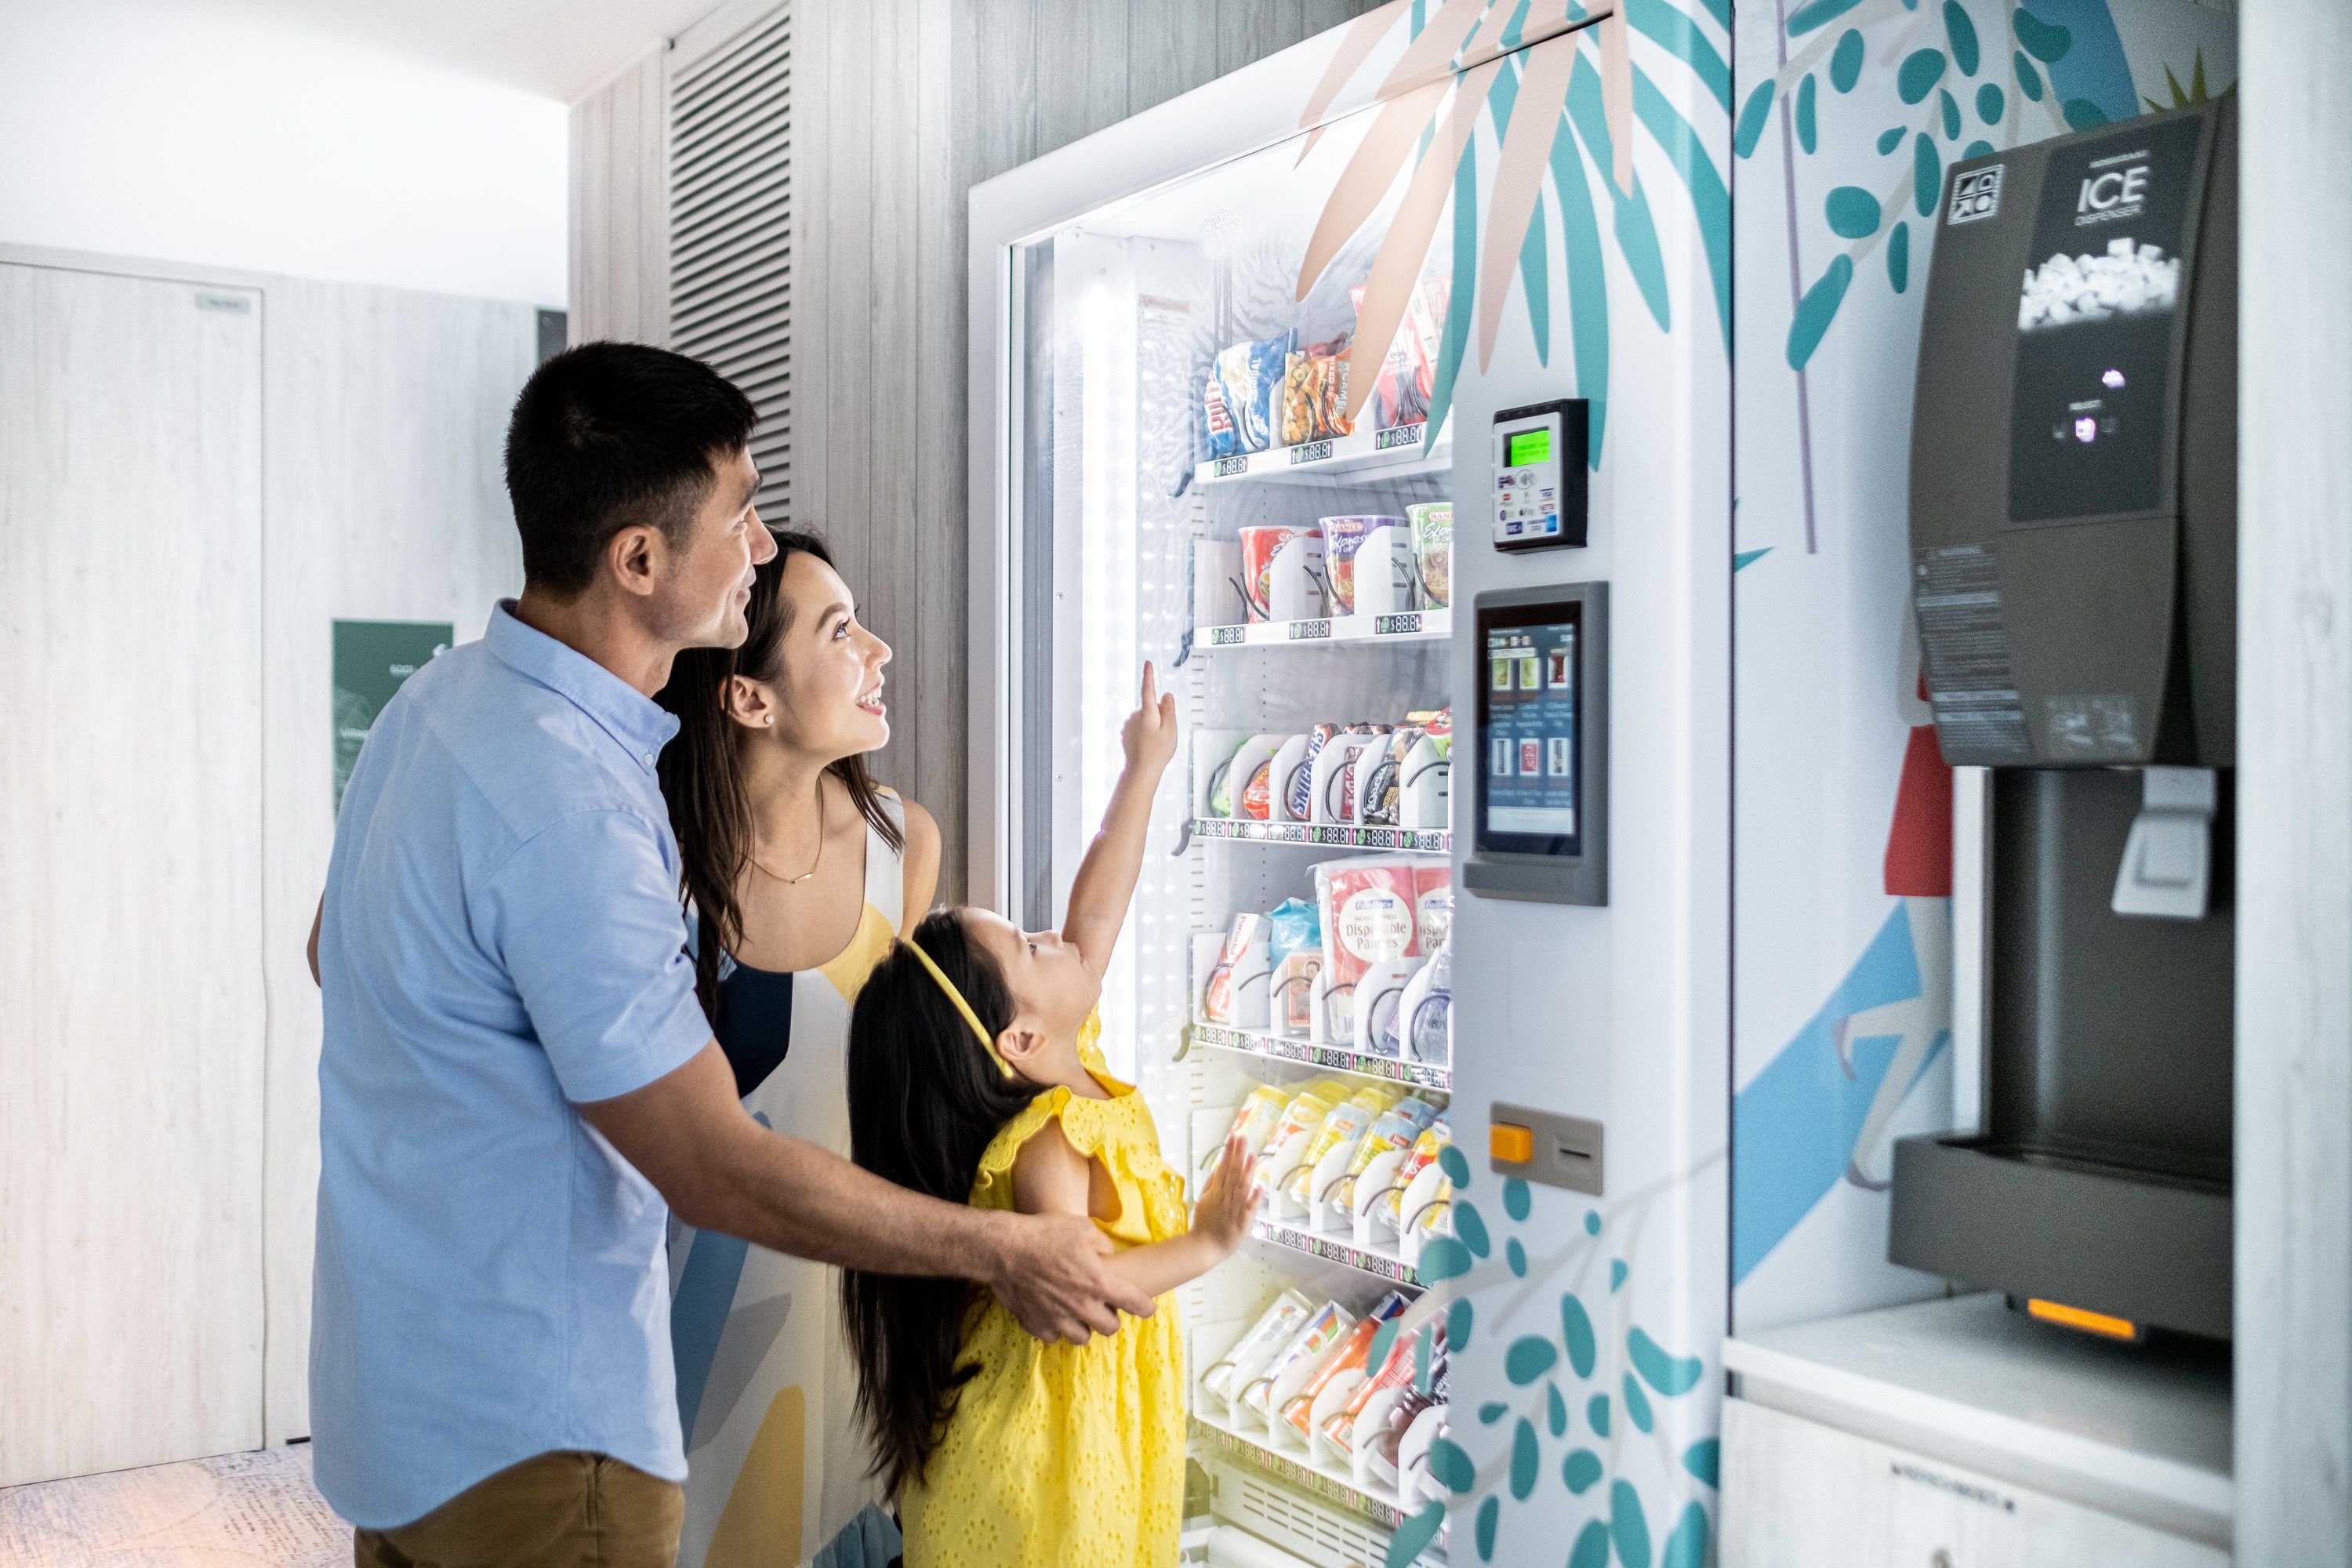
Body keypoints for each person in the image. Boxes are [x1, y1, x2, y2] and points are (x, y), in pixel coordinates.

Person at [307, 341, 1151, 1568]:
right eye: (740, 515)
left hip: (396, 1407)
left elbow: (336, 954)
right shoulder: (578, 809)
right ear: (639, 561)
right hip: (540, 1437)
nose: (760, 546)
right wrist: (1004, 1250)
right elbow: (710, 1165)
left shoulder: (432, 710)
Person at [840, 665, 1260, 1568]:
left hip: (1087, 1437)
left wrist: (1142, 769)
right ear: (1021, 1038)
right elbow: (1083, 1290)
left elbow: (1097, 907)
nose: (1059, 937)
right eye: (1033, 945)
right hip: (1043, 1476)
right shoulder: (1048, 1146)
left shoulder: (1068, 1060)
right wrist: (1210, 1241)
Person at [652, 531, 937, 1564]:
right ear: (749, 697)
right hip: (677, 1340)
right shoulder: (658, 864)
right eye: (840, 630)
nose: (879, 650)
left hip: (852, 1330)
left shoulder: (903, 846)